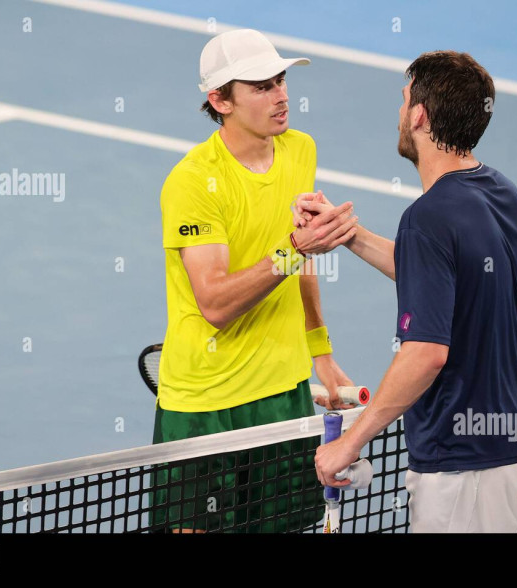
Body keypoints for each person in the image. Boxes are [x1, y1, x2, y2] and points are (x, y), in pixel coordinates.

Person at [306, 51, 517, 533]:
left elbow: (425, 355)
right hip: (512, 442)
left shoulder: (428, 217)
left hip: (464, 465)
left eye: (403, 101)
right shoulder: (500, 192)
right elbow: (445, 276)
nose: (399, 114)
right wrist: (349, 233)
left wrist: (349, 443)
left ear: (419, 115)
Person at [151, 29, 358, 532]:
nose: (282, 95)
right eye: (262, 86)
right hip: (205, 404)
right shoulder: (193, 181)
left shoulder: (299, 150)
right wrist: (294, 250)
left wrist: (321, 355)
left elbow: (301, 260)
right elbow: (217, 303)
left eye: (281, 80)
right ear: (220, 99)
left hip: (283, 393)